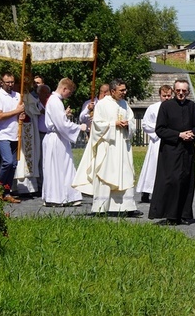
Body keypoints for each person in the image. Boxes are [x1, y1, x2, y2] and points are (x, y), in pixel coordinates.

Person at [73, 79, 140, 216]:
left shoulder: (125, 104)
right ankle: (101, 207)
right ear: (113, 91)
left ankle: (126, 206)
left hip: (122, 145)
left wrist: (128, 125)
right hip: (108, 145)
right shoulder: (102, 105)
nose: (124, 92)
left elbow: (132, 121)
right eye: (121, 90)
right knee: (105, 174)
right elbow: (97, 125)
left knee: (125, 173)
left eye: (125, 90)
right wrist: (113, 123)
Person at [148, 79, 195, 225]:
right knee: (172, 181)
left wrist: (192, 134)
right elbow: (160, 129)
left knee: (186, 181)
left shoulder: (191, 106)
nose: (181, 93)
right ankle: (170, 215)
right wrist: (179, 135)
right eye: (178, 90)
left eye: (184, 91)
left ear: (188, 92)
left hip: (187, 150)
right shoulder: (166, 106)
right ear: (174, 91)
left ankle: (183, 215)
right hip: (171, 150)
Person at [42, 78, 87, 207]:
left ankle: (64, 196)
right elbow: (61, 125)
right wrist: (79, 127)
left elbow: (58, 119)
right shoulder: (55, 101)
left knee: (63, 166)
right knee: (58, 167)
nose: (69, 96)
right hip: (56, 138)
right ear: (64, 89)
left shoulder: (55, 101)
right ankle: (56, 197)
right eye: (70, 93)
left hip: (58, 137)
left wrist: (64, 114)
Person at [0, 72, 25, 203]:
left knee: (14, 165)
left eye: (12, 82)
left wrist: (21, 115)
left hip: (15, 134)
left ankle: (7, 192)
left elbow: (21, 114)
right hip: (2, 134)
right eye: (8, 82)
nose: (10, 85)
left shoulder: (17, 96)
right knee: (7, 162)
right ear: (2, 82)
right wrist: (16, 112)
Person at [136, 85, 173, 203]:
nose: (167, 98)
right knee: (152, 166)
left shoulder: (174, 107)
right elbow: (146, 124)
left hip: (170, 140)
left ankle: (166, 193)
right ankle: (146, 191)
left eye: (169, 95)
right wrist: (159, 130)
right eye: (164, 96)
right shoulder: (153, 108)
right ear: (160, 95)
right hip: (157, 141)